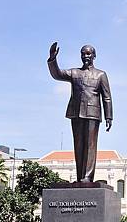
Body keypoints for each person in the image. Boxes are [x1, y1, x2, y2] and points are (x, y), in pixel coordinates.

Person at [47, 42, 113, 182]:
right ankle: (80, 177)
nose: (85, 56)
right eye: (83, 53)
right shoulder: (74, 73)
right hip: (76, 113)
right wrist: (53, 59)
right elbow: (57, 74)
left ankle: (88, 176)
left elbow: (106, 97)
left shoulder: (101, 74)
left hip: (93, 114)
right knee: (78, 145)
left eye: (88, 53)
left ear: (94, 56)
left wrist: (109, 117)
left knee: (90, 145)